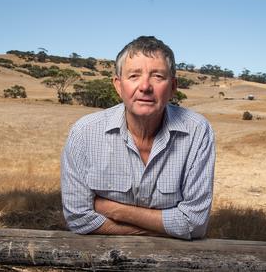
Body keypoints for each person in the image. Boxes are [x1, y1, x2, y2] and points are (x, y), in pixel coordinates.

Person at [60, 36, 216, 240]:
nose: (145, 86)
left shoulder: (197, 131)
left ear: (173, 87)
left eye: (157, 76)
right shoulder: (84, 132)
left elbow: (194, 224)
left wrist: (115, 210)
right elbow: (78, 219)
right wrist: (166, 228)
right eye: (134, 76)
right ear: (118, 85)